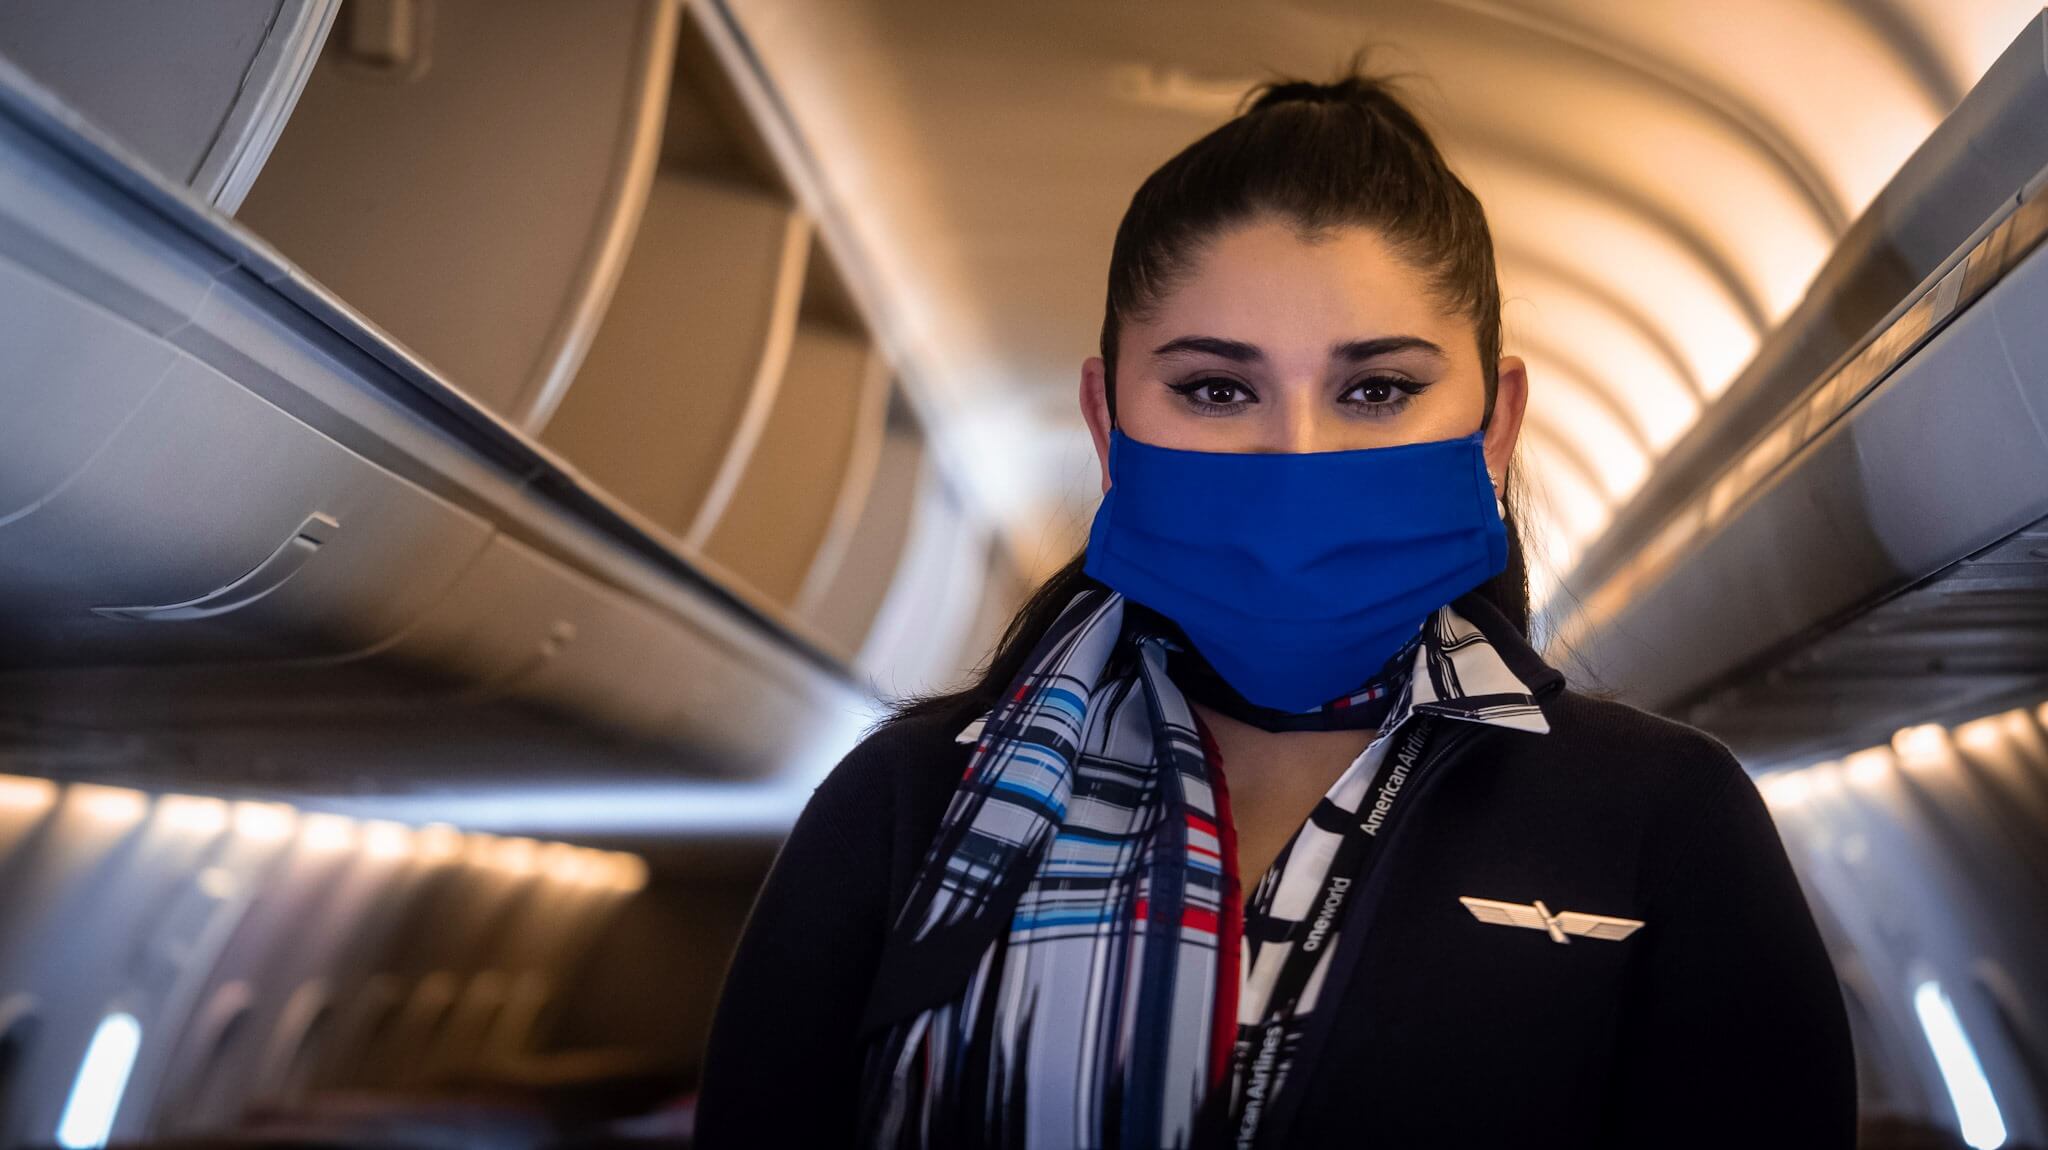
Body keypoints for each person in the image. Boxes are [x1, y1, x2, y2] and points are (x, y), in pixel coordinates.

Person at [695, 62, 1856, 1150]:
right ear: (1109, 426)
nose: (1294, 452)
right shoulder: (903, 805)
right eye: (1214, 388)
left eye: (1375, 390)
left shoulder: (1662, 817)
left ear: (1490, 428)